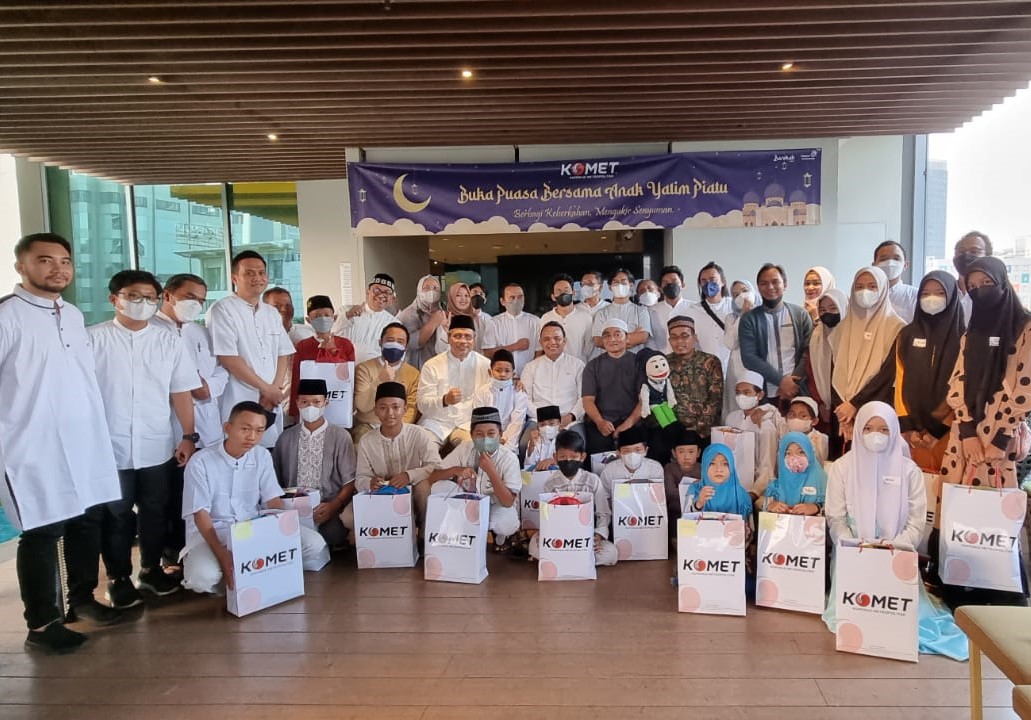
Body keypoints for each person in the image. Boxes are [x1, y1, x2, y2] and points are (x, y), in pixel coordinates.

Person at [0, 233, 125, 653]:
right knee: (41, 530)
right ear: (22, 266)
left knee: (84, 520)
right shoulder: (7, 316)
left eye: (65, 261)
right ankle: (42, 623)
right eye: (45, 260)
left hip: (81, 438)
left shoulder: (71, 314)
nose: (58, 269)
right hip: (30, 446)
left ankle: (82, 601)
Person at [89, 270, 201, 607]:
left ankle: (150, 570)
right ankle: (118, 577)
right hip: (110, 447)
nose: (143, 304)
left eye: (149, 298)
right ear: (115, 299)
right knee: (118, 514)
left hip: (157, 443)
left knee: (155, 510)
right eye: (134, 296)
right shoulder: (92, 340)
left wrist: (188, 436)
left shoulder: (168, 341)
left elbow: (181, 391)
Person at [822, 401, 968, 660]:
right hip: (854, 552)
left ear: (893, 432)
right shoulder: (842, 467)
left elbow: (916, 520)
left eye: (883, 429)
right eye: (867, 428)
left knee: (905, 618)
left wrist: (895, 548)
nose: (875, 435)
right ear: (858, 431)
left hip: (897, 554)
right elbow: (836, 517)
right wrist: (857, 548)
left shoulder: (909, 470)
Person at [937, 256, 1031, 606]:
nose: (979, 293)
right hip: (965, 439)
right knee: (960, 512)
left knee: (995, 516)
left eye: (985, 285)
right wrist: (967, 430)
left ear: (1002, 283)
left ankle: (1000, 590)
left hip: (999, 441)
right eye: (972, 287)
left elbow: (1023, 388)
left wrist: (998, 437)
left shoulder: (1025, 329)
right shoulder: (971, 332)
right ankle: (960, 588)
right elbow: (957, 383)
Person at [181, 402, 328, 595]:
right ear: (227, 428)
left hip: (251, 528)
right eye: (245, 429)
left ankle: (251, 576)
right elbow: (201, 515)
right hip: (214, 533)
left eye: (259, 431)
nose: (252, 437)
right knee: (202, 578)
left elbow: (273, 501)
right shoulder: (201, 462)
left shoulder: (261, 456)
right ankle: (235, 582)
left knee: (314, 544)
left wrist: (282, 534)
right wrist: (222, 554)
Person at [152, 273, 229, 566]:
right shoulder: (152, 332)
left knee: (204, 495)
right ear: (168, 295)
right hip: (169, 433)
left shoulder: (200, 333)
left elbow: (222, 370)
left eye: (200, 299)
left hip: (207, 427)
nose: (195, 304)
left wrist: (206, 386)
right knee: (171, 499)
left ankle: (204, 550)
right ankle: (171, 557)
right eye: (188, 297)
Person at [208, 250, 295, 448]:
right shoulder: (222, 310)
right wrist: (266, 389)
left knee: (269, 455)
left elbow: (283, 353)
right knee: (239, 456)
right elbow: (229, 358)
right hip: (239, 398)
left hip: (271, 401)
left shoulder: (271, 313)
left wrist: (275, 389)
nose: (257, 277)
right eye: (249, 273)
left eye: (261, 272)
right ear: (234, 278)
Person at [272, 379, 357, 549]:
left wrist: (334, 505)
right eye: (304, 402)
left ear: (326, 402)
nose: (310, 407)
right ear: (297, 403)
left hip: (326, 507)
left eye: (316, 402)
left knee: (333, 535)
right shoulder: (285, 438)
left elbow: (350, 481)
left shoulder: (340, 437)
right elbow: (275, 481)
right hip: (292, 509)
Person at [346, 381, 441, 533]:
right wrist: (370, 482)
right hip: (382, 494)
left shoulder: (419, 434)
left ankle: (425, 535)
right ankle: (382, 539)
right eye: (383, 408)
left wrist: (409, 475)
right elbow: (360, 477)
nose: (390, 413)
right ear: (375, 410)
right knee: (348, 517)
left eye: (395, 407)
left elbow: (435, 466)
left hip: (412, 492)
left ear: (405, 409)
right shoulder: (367, 440)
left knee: (424, 487)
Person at [426, 406, 522, 549]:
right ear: (471, 435)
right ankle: (459, 529)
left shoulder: (509, 458)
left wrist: (491, 471)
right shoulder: (464, 448)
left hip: (494, 506)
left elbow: (508, 501)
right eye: (479, 434)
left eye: (491, 434)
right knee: (439, 487)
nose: (485, 439)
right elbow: (433, 477)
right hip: (465, 504)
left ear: (500, 434)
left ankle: (498, 535)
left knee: (506, 523)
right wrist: (456, 470)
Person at [832, 267, 905, 439]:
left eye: (872, 286)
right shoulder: (842, 328)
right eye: (859, 286)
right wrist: (844, 413)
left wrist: (856, 404)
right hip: (844, 413)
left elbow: (888, 374)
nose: (865, 291)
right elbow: (836, 370)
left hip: (878, 412)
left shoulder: (897, 327)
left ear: (883, 289)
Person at [528, 430, 619, 567]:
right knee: (534, 547)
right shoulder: (550, 484)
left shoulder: (593, 480)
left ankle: (562, 560)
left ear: (582, 457)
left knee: (611, 553)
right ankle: (578, 560)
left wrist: (598, 536)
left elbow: (603, 513)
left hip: (586, 537)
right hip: (559, 536)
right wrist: (545, 534)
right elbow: (546, 515)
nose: (568, 460)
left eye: (573, 456)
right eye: (563, 457)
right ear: (555, 457)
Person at [739, 263, 813, 408]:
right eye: (764, 283)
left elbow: (808, 352)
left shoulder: (800, 315)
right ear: (758, 287)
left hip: (797, 390)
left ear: (784, 284)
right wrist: (781, 381)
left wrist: (791, 384)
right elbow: (749, 358)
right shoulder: (749, 319)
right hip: (764, 393)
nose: (770, 287)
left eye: (775, 282)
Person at [417, 314, 492, 450]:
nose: (463, 341)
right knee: (423, 448)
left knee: (476, 449)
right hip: (437, 423)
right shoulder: (432, 365)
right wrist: (444, 400)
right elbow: (422, 404)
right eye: (457, 336)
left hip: (468, 424)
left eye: (468, 336)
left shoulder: (486, 366)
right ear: (448, 338)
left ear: (474, 340)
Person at [289, 295, 357, 427]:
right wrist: (294, 411)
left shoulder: (345, 344)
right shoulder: (303, 345)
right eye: (317, 316)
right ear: (308, 320)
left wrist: (351, 405)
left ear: (334, 317)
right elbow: (297, 377)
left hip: (339, 404)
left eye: (326, 315)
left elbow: (350, 378)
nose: (323, 319)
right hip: (311, 406)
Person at [582, 318, 644, 459]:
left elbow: (643, 401)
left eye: (617, 334)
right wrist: (600, 422)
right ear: (603, 341)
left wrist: (627, 425)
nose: (612, 339)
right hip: (602, 422)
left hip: (632, 422)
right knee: (598, 455)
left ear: (627, 338)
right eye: (607, 335)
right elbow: (587, 400)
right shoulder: (593, 366)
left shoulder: (639, 363)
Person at [520, 321, 586, 451]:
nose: (552, 343)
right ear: (540, 342)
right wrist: (542, 420)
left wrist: (570, 416)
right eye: (547, 339)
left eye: (557, 338)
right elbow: (524, 398)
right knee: (524, 445)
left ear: (565, 341)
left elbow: (584, 397)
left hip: (569, 421)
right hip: (538, 420)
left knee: (578, 446)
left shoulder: (578, 365)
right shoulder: (530, 367)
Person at [352, 322, 420, 444]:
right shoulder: (364, 368)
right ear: (380, 342)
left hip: (400, 428)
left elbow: (410, 409)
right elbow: (362, 406)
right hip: (368, 426)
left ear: (406, 346)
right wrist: (380, 380)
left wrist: (395, 429)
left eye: (400, 342)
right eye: (390, 340)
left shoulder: (413, 374)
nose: (395, 345)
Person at [803, 288, 850, 457]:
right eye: (822, 310)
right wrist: (821, 403)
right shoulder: (816, 335)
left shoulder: (851, 336)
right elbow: (811, 373)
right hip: (824, 408)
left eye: (833, 308)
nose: (827, 313)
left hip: (849, 406)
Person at [724, 369, 781, 497]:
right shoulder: (731, 418)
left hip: (754, 488)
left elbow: (768, 466)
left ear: (760, 395)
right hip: (730, 483)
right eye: (738, 393)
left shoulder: (766, 426)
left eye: (747, 392)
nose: (741, 397)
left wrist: (755, 492)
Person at [665, 315, 723, 441]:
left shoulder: (710, 361)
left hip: (705, 431)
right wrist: (673, 429)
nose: (679, 342)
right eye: (674, 337)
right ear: (669, 341)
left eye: (685, 336)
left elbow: (715, 400)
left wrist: (696, 429)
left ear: (694, 338)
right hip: (673, 431)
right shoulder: (664, 363)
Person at [471, 349, 529, 452]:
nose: (502, 374)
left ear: (513, 373)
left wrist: (505, 441)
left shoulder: (519, 393)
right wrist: (493, 440)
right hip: (486, 439)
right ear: (490, 372)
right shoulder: (481, 392)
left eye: (507, 371)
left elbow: (517, 422)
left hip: (510, 441)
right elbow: (480, 420)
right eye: (498, 370)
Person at [331, 272, 397, 363]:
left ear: (391, 298)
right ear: (368, 292)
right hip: (342, 367)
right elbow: (331, 334)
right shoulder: (345, 310)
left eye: (387, 292)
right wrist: (348, 315)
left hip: (373, 373)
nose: (381, 295)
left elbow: (396, 355)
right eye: (377, 290)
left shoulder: (394, 324)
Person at [591, 269, 651, 358]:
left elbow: (643, 336)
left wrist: (611, 341)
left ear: (630, 285)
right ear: (610, 287)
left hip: (636, 361)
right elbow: (598, 340)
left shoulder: (641, 311)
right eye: (616, 282)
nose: (619, 285)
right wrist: (631, 337)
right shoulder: (602, 313)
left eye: (623, 282)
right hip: (609, 363)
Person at [762, 432, 826, 515]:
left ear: (810, 454)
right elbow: (765, 509)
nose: (794, 457)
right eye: (788, 453)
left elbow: (834, 510)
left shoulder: (824, 483)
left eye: (801, 452)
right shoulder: (774, 487)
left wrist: (816, 507)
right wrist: (770, 506)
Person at [685, 261, 733, 371]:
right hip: (706, 371)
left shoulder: (734, 307)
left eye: (712, 279)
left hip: (734, 370)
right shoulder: (692, 311)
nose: (708, 284)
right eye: (703, 281)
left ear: (723, 282)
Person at [685, 444, 754, 519]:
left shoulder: (742, 495)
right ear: (705, 466)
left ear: (731, 467)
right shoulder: (694, 490)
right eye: (712, 463)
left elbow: (751, 527)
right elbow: (685, 521)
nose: (719, 469)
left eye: (725, 464)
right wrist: (698, 504)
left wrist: (746, 528)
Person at [486, 282, 540, 376]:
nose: (516, 301)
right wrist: (515, 346)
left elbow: (539, 351)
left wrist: (531, 373)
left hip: (529, 377)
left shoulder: (535, 321)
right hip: (502, 377)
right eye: (512, 297)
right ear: (503, 301)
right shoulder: (493, 322)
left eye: (520, 297)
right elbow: (488, 353)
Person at [722, 279, 757, 418]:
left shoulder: (763, 315)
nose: (741, 296)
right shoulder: (731, 318)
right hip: (737, 369)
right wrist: (743, 315)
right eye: (735, 294)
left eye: (744, 291)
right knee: (736, 409)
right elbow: (731, 343)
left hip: (759, 369)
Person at [540, 273, 593, 363]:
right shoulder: (546, 318)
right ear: (553, 297)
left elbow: (589, 347)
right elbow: (544, 345)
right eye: (559, 291)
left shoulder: (586, 317)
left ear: (573, 292)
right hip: (553, 368)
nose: (563, 293)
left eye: (566, 290)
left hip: (579, 368)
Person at [597, 425, 665, 495]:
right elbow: (604, 496)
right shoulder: (609, 470)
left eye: (638, 450)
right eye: (627, 451)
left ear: (646, 450)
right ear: (619, 453)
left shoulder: (655, 468)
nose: (632, 454)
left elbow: (658, 496)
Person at [396, 274, 445, 370]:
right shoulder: (408, 314)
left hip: (437, 367)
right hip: (415, 367)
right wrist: (433, 323)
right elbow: (412, 343)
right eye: (426, 288)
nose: (431, 292)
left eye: (435, 288)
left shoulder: (441, 312)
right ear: (419, 291)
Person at [435, 282, 495, 354]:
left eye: (467, 295)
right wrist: (445, 333)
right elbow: (440, 351)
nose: (463, 299)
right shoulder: (446, 319)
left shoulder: (474, 319)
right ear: (451, 297)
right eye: (458, 295)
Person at [662, 427, 703, 525]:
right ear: (674, 453)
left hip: (698, 514)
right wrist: (695, 490)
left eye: (691, 451)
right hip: (674, 513)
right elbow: (670, 493)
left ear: (698, 453)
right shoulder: (669, 468)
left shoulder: (703, 469)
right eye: (681, 452)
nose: (686, 457)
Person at [647, 265, 692, 353]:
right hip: (661, 361)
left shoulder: (695, 308)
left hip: (689, 362)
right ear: (661, 289)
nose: (670, 285)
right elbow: (650, 340)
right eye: (666, 282)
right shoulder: (651, 311)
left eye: (674, 281)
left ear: (683, 285)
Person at [953, 230, 992, 324]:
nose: (966, 255)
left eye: (974, 251)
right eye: (961, 252)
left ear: (988, 257)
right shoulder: (944, 292)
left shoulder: (995, 295)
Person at [874, 240, 918, 323]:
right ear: (874, 265)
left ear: (905, 265)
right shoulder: (866, 294)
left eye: (896, 259)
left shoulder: (915, 296)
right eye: (884, 259)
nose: (890, 263)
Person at [779, 396, 829, 466]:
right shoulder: (784, 438)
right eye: (792, 415)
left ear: (814, 421)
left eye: (803, 416)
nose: (796, 419)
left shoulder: (822, 440)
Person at [524, 405, 562, 471]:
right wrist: (531, 446)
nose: (547, 427)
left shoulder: (565, 439)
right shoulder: (536, 440)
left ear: (559, 423)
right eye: (542, 425)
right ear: (538, 426)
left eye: (551, 423)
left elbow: (569, 461)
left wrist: (553, 461)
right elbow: (529, 465)